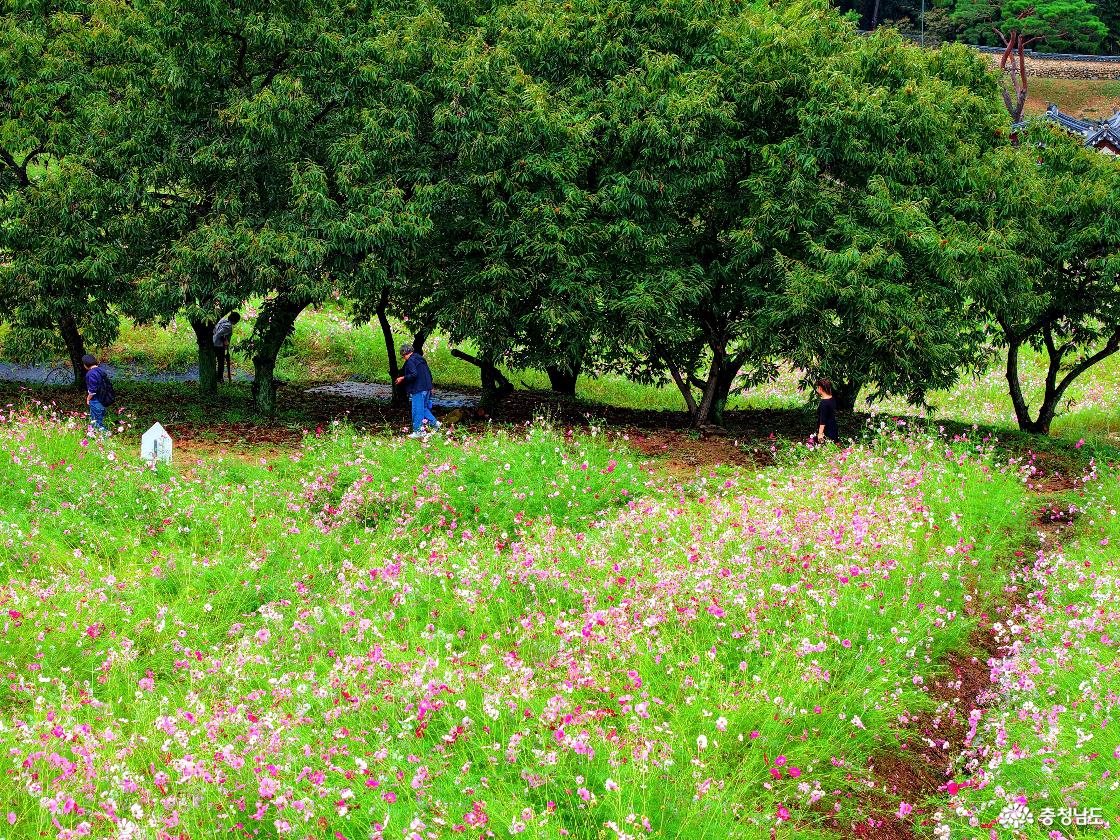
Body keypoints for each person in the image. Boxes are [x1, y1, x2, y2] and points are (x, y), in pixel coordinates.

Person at [394, 343, 440, 438]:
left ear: (404, 353)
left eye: (403, 356)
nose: (403, 358)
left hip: (418, 389)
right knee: (423, 408)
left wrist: (402, 378)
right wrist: (430, 386)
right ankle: (435, 424)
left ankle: (418, 431)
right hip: (427, 388)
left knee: (417, 410)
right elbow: (428, 373)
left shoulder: (410, 361)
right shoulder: (420, 359)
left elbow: (414, 374)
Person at [83, 354, 114, 434]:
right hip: (104, 399)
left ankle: (107, 436)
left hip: (97, 400)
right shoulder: (101, 370)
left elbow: (92, 390)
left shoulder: (90, 374)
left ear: (86, 365)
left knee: (96, 423)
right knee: (99, 420)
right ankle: (99, 437)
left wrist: (88, 398)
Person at [212, 312, 241, 383]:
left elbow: (216, 330)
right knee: (221, 362)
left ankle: (217, 376)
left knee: (216, 360)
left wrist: (224, 339)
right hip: (219, 345)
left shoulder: (222, 320)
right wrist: (224, 340)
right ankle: (219, 378)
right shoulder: (228, 326)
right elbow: (219, 334)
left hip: (214, 343)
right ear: (235, 321)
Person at [815, 377, 839, 444]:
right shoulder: (832, 398)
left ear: (820, 388)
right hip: (833, 426)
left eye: (818, 387)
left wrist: (820, 434)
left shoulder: (824, 403)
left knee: (825, 448)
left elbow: (823, 420)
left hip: (826, 430)